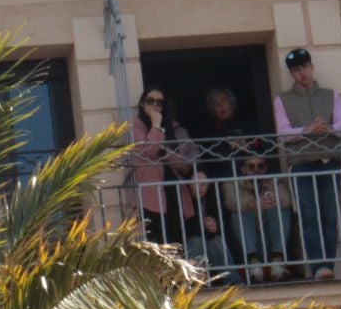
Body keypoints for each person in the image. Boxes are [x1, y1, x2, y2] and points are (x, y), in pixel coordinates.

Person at [125, 89, 227, 274]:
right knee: (155, 240)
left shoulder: (176, 129)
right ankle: (162, 283)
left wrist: (164, 153)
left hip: (175, 193)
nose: (155, 105)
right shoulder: (136, 126)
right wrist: (156, 127)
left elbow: (186, 163)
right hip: (150, 195)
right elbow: (147, 152)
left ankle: (181, 279)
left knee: (177, 238)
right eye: (150, 101)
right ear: (142, 104)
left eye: (159, 102)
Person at [272, 49, 341, 280]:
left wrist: (327, 128)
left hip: (328, 161)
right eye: (296, 70)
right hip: (301, 164)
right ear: (292, 74)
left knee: (329, 214)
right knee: (308, 215)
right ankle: (318, 267)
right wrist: (307, 130)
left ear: (311, 67)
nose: (302, 73)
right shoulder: (282, 99)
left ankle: (328, 266)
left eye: (304, 67)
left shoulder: (330, 94)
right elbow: (283, 133)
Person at [222, 155, 294, 282]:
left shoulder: (274, 181)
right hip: (249, 244)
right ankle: (253, 264)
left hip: (270, 241)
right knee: (239, 212)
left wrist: (273, 200)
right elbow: (230, 202)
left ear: (265, 168)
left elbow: (288, 200)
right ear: (243, 169)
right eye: (251, 166)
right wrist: (252, 204)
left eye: (260, 166)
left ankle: (278, 261)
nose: (256, 170)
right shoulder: (232, 183)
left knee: (280, 208)